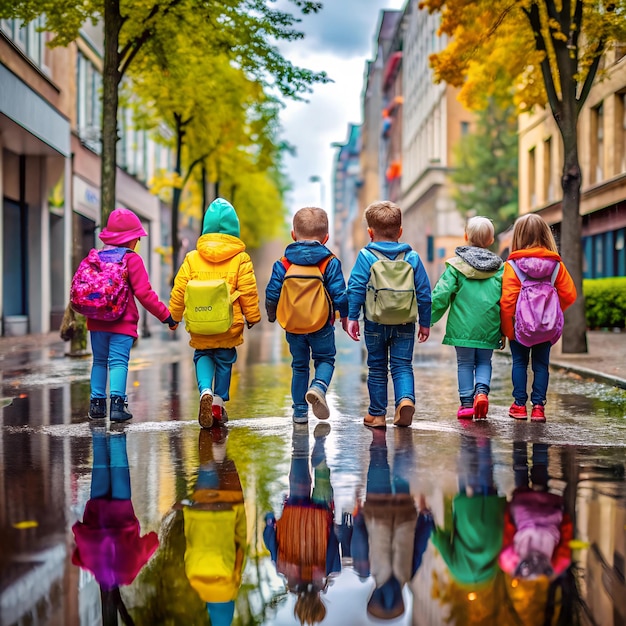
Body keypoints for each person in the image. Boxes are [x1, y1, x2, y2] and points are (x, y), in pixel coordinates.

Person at [169, 198, 262, 428]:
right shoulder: (241, 258)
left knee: (202, 355)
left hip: (200, 321)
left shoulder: (192, 257)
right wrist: (252, 317)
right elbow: (248, 290)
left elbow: (179, 288)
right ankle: (218, 401)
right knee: (224, 358)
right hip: (227, 324)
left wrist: (174, 316)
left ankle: (205, 391)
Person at [345, 200, 431, 428]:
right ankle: (404, 400)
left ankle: (377, 415)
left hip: (374, 322)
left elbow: (355, 288)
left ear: (370, 232)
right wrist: (425, 322)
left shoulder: (366, 256)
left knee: (377, 367)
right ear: (400, 232)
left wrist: (352, 317)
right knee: (402, 365)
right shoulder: (411, 258)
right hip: (405, 322)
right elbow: (424, 292)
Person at [87, 208, 177, 422]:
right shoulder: (131, 259)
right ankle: (117, 406)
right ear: (129, 240)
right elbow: (145, 294)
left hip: (96, 321)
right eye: (136, 238)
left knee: (99, 361)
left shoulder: (96, 257)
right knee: (118, 362)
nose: (137, 242)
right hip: (121, 323)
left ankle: (97, 405)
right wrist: (167, 316)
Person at [265, 207, 348, 424]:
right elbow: (340, 293)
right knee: (325, 359)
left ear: (293, 235)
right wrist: (345, 317)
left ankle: (299, 412)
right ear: (326, 237)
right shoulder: (329, 262)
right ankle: (318, 386)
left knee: (299, 366)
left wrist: (272, 315)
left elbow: (272, 292)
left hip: (293, 325)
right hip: (321, 324)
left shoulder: (283, 263)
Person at [72, 427, 159, 622]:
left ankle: (118, 424)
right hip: (96, 508)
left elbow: (152, 542)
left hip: (121, 508)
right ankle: (100, 426)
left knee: (119, 462)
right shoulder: (91, 566)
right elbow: (77, 553)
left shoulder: (128, 574)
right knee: (100, 459)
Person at [500, 213, 577, 422]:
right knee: (541, 365)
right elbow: (570, 294)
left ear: (517, 237)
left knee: (519, 363)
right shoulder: (556, 265)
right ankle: (538, 408)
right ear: (546, 235)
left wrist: (508, 330)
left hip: (520, 327)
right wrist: (550, 313)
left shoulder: (512, 266)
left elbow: (507, 302)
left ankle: (518, 405)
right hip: (546, 329)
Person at [352, 428, 433, 620]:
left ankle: (402, 437)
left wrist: (426, 517)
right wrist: (358, 515)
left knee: (402, 465)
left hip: (404, 509)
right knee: (378, 460)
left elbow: (420, 544)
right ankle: (380, 434)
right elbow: (361, 540)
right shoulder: (369, 570)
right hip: (377, 507)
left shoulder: (408, 574)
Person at [263, 423, 340, 625]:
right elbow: (270, 539)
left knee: (323, 483)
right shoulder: (283, 569)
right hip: (294, 509)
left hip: (320, 514)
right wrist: (269, 520)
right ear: (297, 603)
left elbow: (334, 539)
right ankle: (300, 434)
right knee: (297, 460)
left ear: (319, 601)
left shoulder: (328, 570)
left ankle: (321, 460)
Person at [430, 216, 504, 420]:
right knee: (484, 361)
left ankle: (466, 404)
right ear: (491, 240)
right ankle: (482, 392)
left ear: (465, 237)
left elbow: (440, 295)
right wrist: (506, 328)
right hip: (489, 325)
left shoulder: (455, 266)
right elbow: (506, 300)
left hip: (462, 328)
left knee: (464, 363)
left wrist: (428, 319)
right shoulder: (500, 268)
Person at [175, 427, 247, 626]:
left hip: (228, 508)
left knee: (225, 464)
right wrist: (189, 508)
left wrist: (239, 509)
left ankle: (217, 424)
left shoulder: (233, 583)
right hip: (201, 508)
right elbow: (190, 542)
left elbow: (240, 546)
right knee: (207, 467)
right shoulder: (193, 579)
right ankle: (210, 432)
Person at [431, 434, 506, 588]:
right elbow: (440, 542)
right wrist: (433, 527)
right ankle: (468, 433)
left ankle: (484, 440)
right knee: (467, 470)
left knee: (486, 474)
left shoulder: (490, 571)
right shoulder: (457, 571)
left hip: (491, 518)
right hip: (468, 513)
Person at [499, 440, 572, 582]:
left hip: (548, 510)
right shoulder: (510, 565)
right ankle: (519, 435)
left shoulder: (555, 566)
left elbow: (566, 535)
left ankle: (540, 436)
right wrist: (510, 507)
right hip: (523, 510)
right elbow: (508, 531)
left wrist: (562, 514)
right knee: (520, 471)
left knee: (540, 468)